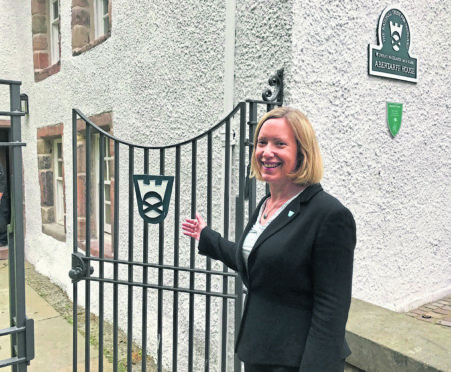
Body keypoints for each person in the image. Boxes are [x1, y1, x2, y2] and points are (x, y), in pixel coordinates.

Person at [182, 107, 356, 372]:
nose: (266, 151)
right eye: (261, 143)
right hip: (259, 350)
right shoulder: (267, 204)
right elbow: (258, 260)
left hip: (295, 361)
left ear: (302, 152)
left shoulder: (329, 215)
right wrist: (208, 237)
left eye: (280, 144)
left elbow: (331, 310)